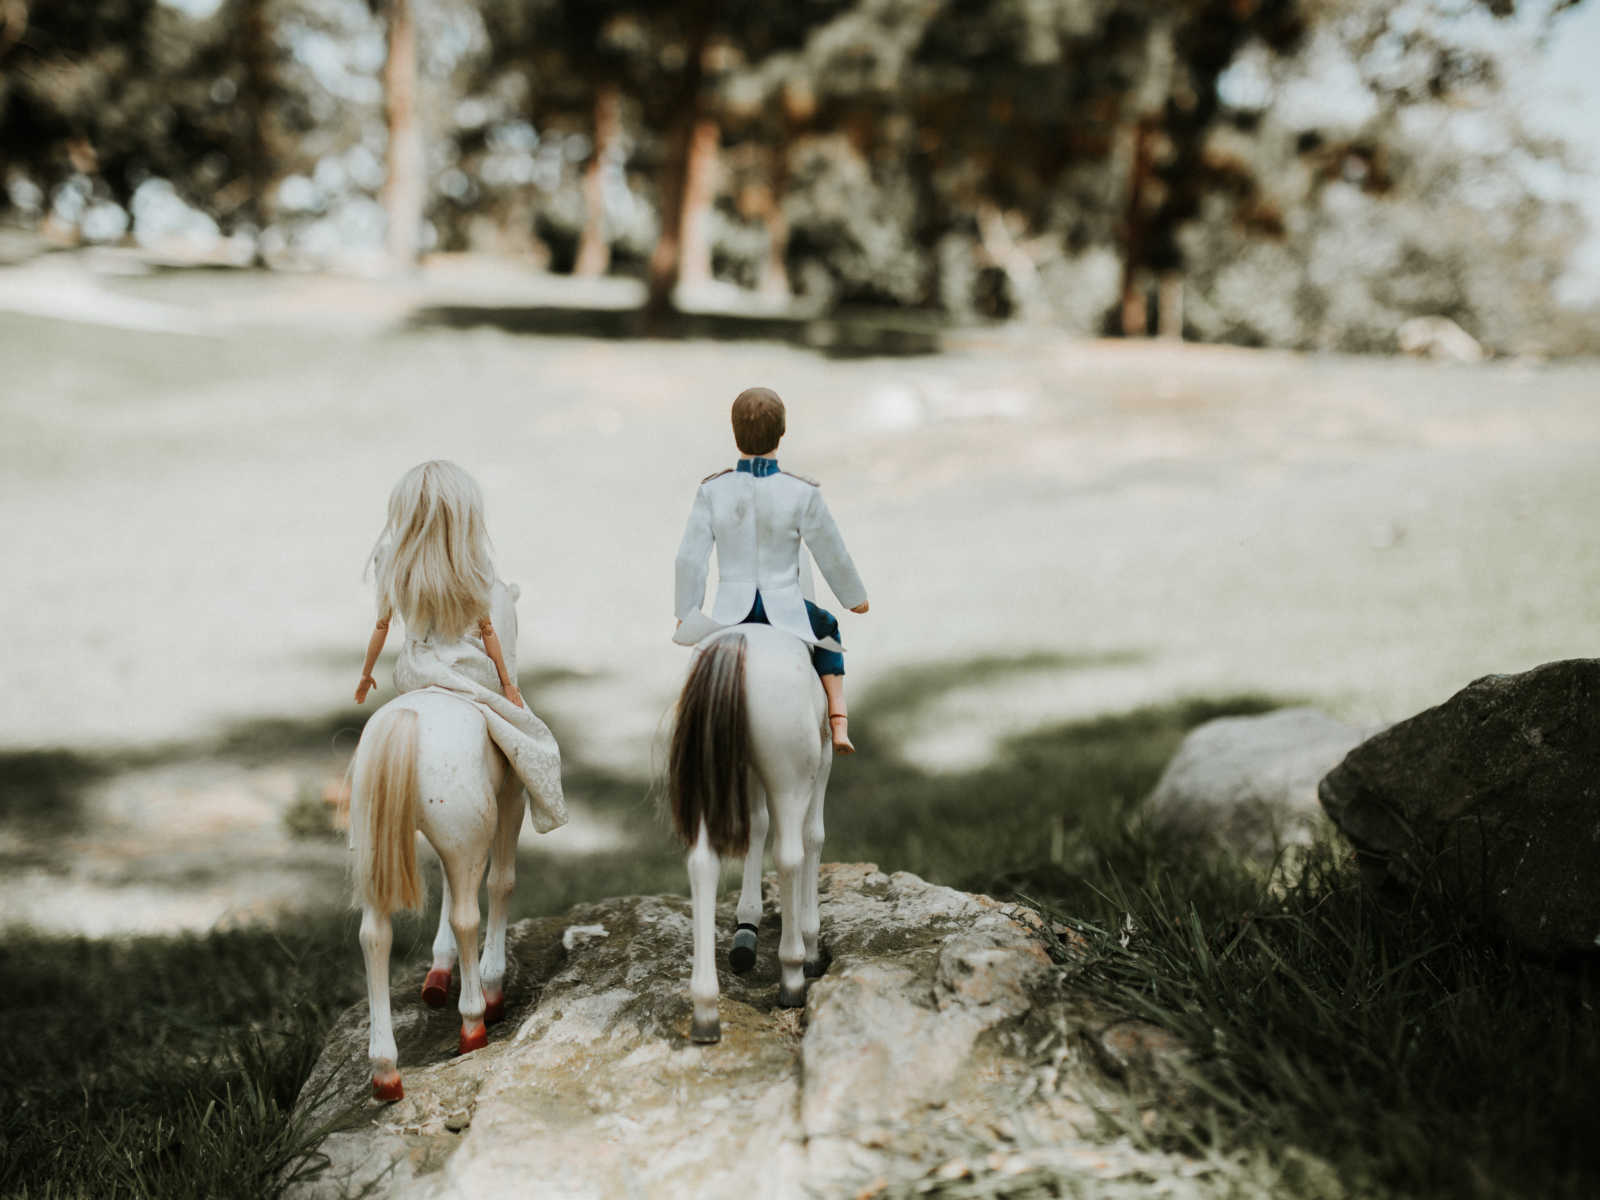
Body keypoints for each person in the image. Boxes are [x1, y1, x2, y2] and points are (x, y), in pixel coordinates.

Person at [355, 460, 566, 832]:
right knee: (527, 737)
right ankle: (545, 806)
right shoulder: (473, 567)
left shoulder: (396, 565)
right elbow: (489, 634)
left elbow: (381, 627)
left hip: (414, 670)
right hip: (463, 670)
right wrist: (508, 683)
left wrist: (366, 674)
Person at [674, 387, 869, 752]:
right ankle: (838, 720)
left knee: (699, 664)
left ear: (734, 434)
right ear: (782, 432)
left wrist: (686, 611)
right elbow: (831, 550)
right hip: (785, 609)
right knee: (828, 628)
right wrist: (853, 598)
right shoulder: (801, 492)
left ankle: (689, 729)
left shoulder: (713, 490)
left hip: (731, 612)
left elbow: (690, 557)